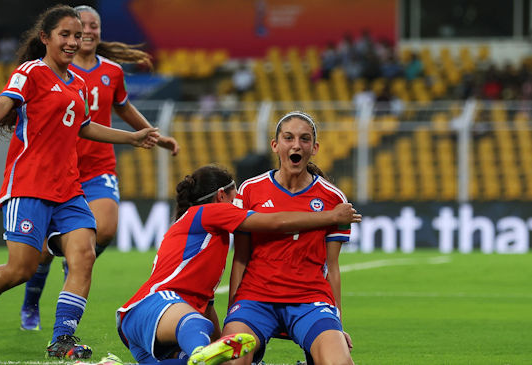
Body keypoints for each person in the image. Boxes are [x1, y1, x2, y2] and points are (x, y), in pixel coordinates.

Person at [0, 5, 159, 359]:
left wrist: (132, 138)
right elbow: (4, 101)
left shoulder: (76, 82)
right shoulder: (32, 72)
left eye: (77, 35)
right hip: (28, 185)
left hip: (69, 188)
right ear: (45, 38)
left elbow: (85, 127)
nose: (73, 41)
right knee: (21, 269)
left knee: (84, 254)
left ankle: (62, 339)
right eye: (65, 35)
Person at [18, 4, 180, 332]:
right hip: (57, 169)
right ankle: (32, 301)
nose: (89, 32)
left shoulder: (112, 72)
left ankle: (76, 258)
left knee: (105, 228)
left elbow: (124, 107)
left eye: (94, 27)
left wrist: (154, 135)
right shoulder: (51, 70)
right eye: (82, 27)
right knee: (43, 253)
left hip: (97, 167)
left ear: (99, 32)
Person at [108, 164, 360, 365]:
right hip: (155, 305)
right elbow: (275, 223)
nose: (239, 202)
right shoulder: (210, 212)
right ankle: (200, 353)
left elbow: (207, 305)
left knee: (204, 338)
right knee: (199, 327)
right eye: (235, 196)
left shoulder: (205, 236)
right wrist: (330, 216)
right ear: (221, 196)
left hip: (155, 326)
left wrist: (223, 345)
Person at [221, 111, 355, 365]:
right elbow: (240, 258)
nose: (296, 145)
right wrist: (232, 315)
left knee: (340, 362)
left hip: (310, 300)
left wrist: (337, 322)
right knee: (231, 361)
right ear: (275, 145)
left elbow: (333, 268)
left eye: (305, 139)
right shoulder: (250, 190)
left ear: (314, 148)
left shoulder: (334, 199)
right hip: (255, 299)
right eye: (288, 138)